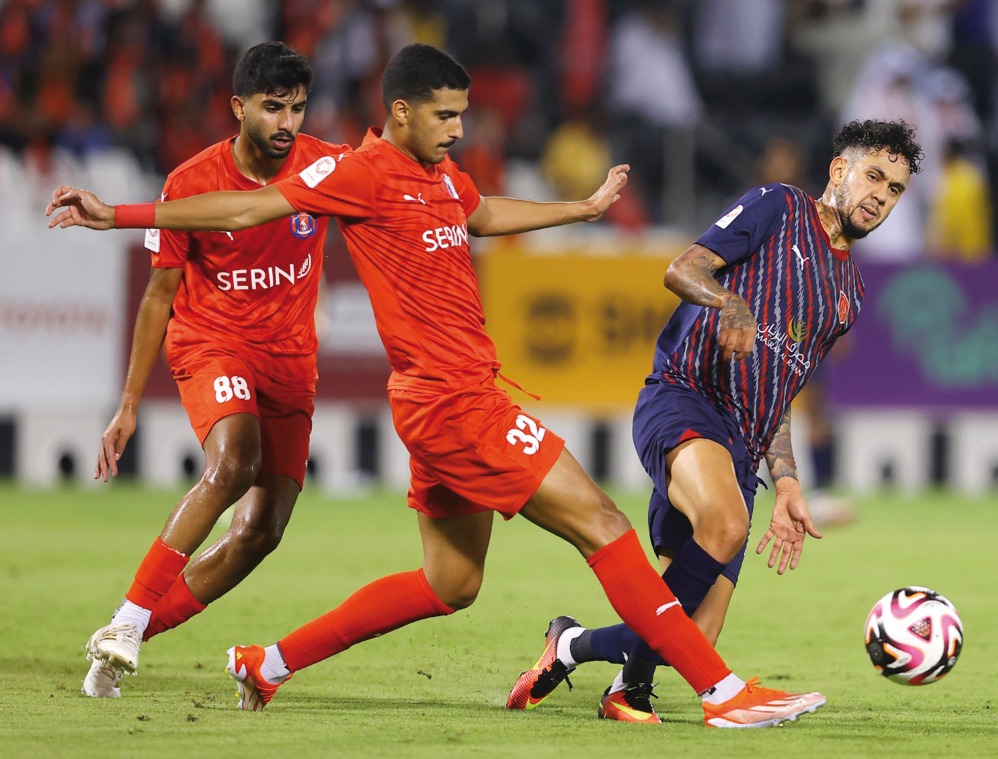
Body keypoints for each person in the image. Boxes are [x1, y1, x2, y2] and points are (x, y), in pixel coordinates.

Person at [47, 43, 824, 729]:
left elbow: (482, 214)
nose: (460, 130)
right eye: (446, 116)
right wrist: (117, 212)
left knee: (452, 582)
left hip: (442, 403)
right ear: (401, 111)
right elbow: (251, 202)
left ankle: (269, 661)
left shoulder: (441, 174)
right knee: (601, 521)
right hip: (455, 405)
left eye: (463, 115)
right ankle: (720, 689)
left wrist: (579, 210)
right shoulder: (358, 173)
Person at [505, 120, 923, 723]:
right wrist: (731, 302)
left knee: (693, 640)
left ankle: (587, 660)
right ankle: (714, 700)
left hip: (745, 447)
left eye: (896, 188)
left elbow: (782, 392)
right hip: (686, 398)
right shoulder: (777, 206)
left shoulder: (849, 295)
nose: (881, 195)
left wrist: (786, 482)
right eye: (874, 176)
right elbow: (680, 269)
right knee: (725, 525)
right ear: (839, 171)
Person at [77, 42, 349, 699]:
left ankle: (124, 637)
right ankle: (128, 617)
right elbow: (158, 296)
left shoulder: (325, 167)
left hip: (291, 364)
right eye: (272, 107)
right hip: (212, 344)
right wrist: (129, 403)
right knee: (233, 463)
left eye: (298, 108)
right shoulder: (189, 181)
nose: (286, 122)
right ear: (238, 108)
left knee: (262, 532)